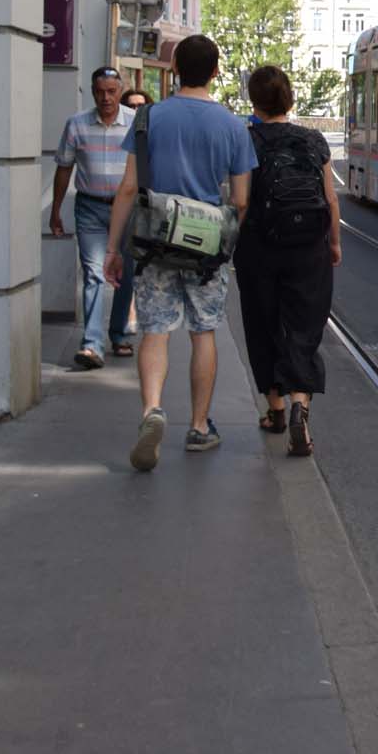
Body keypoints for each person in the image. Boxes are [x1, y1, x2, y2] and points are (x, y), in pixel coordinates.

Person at [104, 35, 257, 472]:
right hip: (206, 244)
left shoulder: (149, 116)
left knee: (154, 330)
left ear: (173, 70)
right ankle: (198, 427)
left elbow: (129, 187)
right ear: (215, 71)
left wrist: (114, 248)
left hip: (154, 240)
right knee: (203, 331)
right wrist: (221, 238)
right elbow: (242, 200)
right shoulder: (231, 125)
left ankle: (152, 409)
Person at [234, 66, 340, 458]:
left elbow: (241, 200)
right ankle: (301, 403)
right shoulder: (313, 140)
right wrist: (334, 244)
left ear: (254, 100)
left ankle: (275, 410)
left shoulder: (247, 140)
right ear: (290, 99)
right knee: (304, 326)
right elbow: (330, 200)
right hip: (309, 246)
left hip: (259, 246)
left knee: (263, 324)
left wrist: (230, 243)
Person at [50, 67, 135, 368]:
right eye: (100, 91)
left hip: (127, 209)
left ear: (120, 90)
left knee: (125, 273)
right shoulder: (76, 125)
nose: (106, 98)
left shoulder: (135, 124)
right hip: (89, 208)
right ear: (92, 90)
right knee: (95, 272)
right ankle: (92, 345)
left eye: (111, 91)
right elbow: (64, 168)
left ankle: (119, 332)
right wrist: (55, 209)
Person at [108, 87, 153, 346]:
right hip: (95, 204)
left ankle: (121, 327)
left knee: (130, 268)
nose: (136, 111)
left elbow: (134, 182)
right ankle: (93, 342)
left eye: (141, 106)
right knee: (95, 274)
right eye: (132, 106)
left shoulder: (145, 131)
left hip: (134, 205)